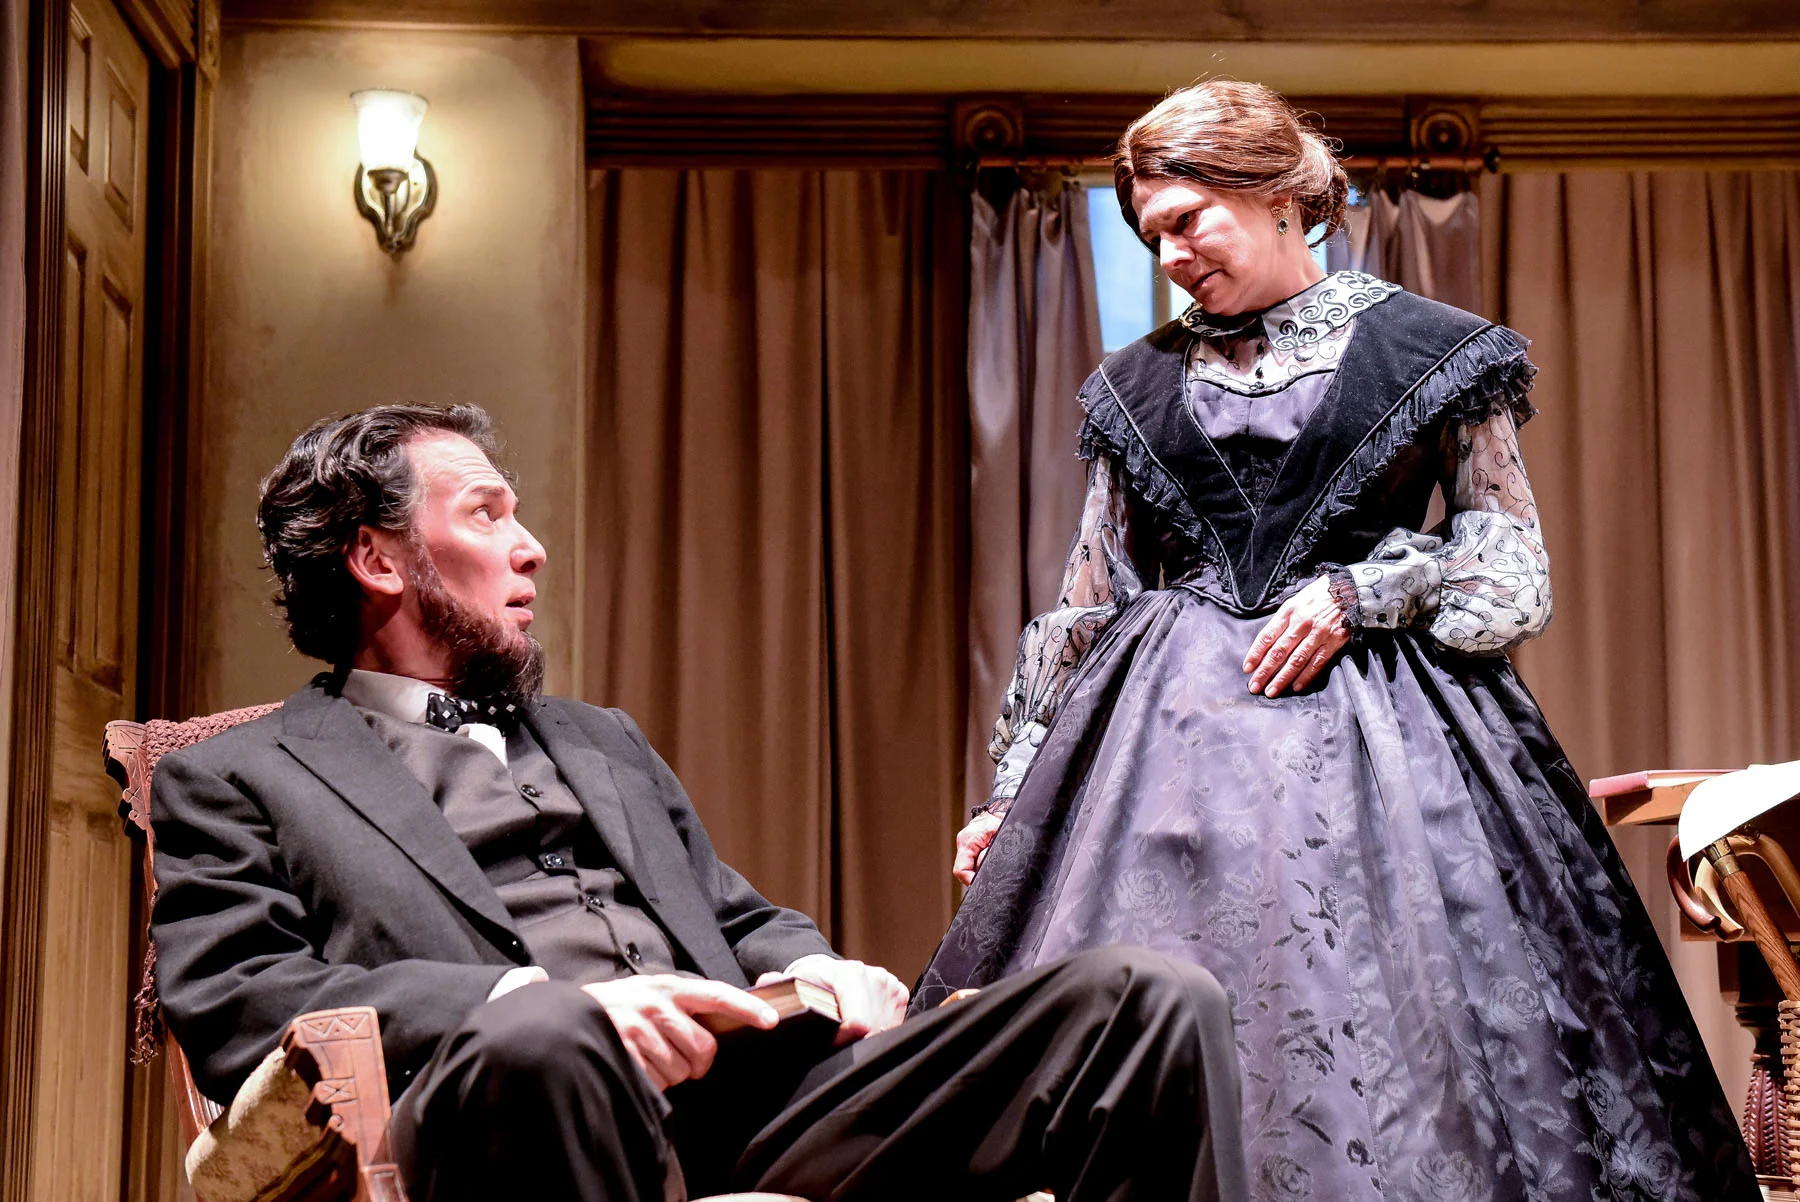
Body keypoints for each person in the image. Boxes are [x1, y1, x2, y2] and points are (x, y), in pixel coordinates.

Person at [915, 81, 1757, 1202]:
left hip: (1392, 751)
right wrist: (1015, 797)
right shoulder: (1133, 385)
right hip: (1161, 755)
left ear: (1277, 195)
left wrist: (1367, 589)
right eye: (1152, 235)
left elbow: (1512, 568)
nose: (1171, 256)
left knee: (1400, 1031)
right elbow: (1089, 600)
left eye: (1188, 220)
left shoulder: (1434, 350)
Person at [149, 404, 1248, 1202]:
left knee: (1143, 998)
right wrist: (537, 998)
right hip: (510, 1102)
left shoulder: (600, 737)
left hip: (751, 1105)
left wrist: (818, 964)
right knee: (546, 1033)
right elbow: (242, 1000)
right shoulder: (241, 774)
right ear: (376, 558)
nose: (531, 548)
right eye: (487, 514)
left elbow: (731, 917)